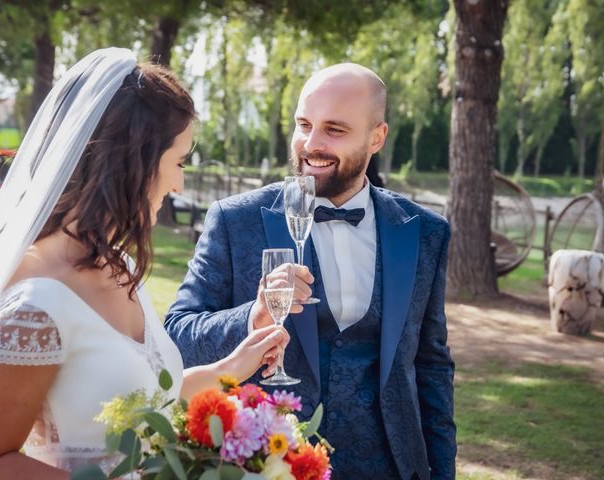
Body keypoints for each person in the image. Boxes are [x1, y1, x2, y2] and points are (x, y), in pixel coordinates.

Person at [0, 48, 289, 478]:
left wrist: (230, 367)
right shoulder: (36, 299)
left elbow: (148, 399)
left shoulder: (116, 266)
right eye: (178, 162)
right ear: (132, 163)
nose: (179, 183)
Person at [165, 63, 456, 479]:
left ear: (377, 137)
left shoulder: (425, 233)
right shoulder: (235, 221)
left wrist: (442, 472)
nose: (311, 144)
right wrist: (253, 316)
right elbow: (176, 337)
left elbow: (432, 367)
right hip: (266, 464)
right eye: (304, 125)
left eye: (334, 130)